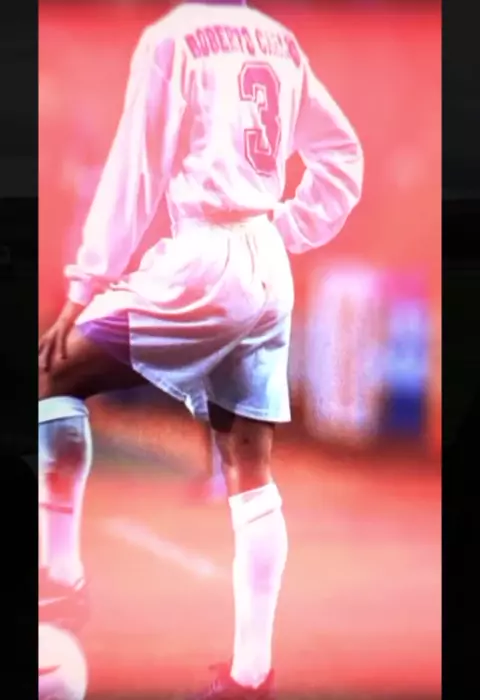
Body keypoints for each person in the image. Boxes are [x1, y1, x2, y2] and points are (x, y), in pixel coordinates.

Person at [38, 0, 364, 696]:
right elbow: (342, 155)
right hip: (267, 264)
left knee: (51, 375)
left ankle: (59, 575)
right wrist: (287, 228)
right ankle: (251, 676)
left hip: (203, 261)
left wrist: (85, 283)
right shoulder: (280, 40)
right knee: (250, 465)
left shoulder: (174, 38)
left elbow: (136, 170)